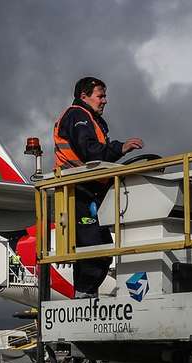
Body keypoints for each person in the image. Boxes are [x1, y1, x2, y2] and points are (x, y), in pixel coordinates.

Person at [51, 76, 144, 296]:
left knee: (101, 250)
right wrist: (120, 148)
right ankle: (83, 298)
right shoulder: (77, 116)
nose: (105, 101)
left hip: (89, 192)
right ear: (84, 96)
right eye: (100, 96)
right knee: (94, 250)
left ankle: (86, 296)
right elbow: (90, 151)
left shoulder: (92, 120)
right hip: (77, 191)